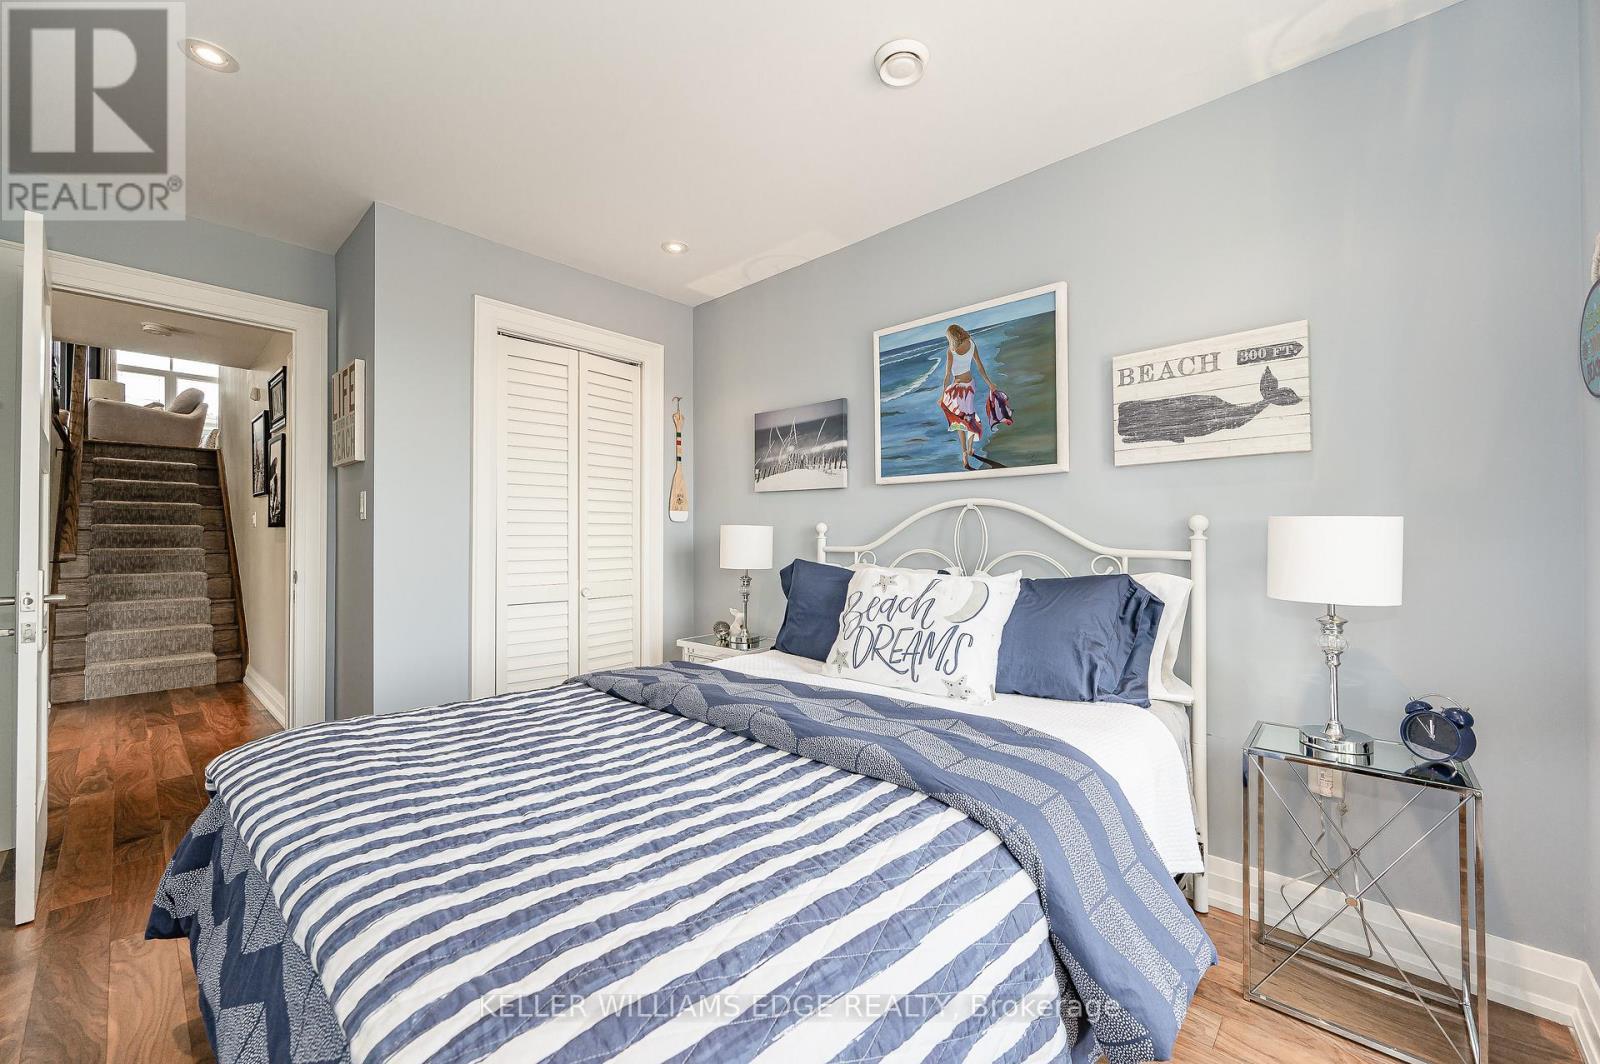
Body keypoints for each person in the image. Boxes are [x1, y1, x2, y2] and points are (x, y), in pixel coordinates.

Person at [939, 323, 997, 470]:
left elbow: (947, 376)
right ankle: (969, 450)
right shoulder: (971, 344)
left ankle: (965, 452)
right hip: (970, 385)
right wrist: (989, 383)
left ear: (951, 337)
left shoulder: (951, 350)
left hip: (958, 389)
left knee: (962, 420)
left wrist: (943, 394)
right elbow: (979, 366)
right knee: (970, 417)